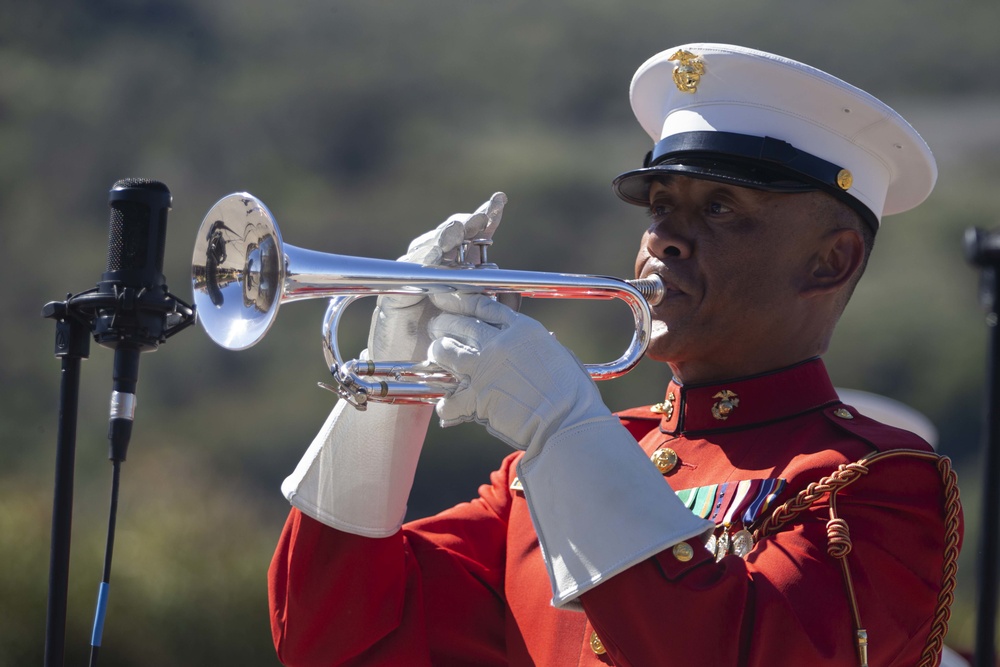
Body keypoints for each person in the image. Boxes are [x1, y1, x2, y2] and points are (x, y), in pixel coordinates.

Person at [267, 43, 963, 667]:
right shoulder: (542, 476)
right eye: (660, 206)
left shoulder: (873, 484)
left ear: (830, 261)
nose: (665, 238)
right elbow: (332, 636)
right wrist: (387, 384)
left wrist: (566, 428)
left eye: (719, 208)